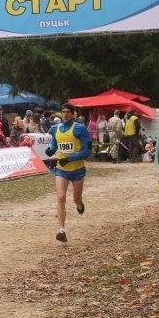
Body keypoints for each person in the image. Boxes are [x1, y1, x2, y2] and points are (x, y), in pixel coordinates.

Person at [45, 104, 92, 243]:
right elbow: (55, 144)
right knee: (60, 197)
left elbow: (87, 150)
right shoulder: (56, 128)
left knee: (76, 199)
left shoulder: (80, 128)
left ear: (73, 114)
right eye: (63, 112)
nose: (65, 114)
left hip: (77, 170)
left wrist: (70, 158)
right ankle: (61, 230)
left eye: (68, 112)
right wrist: (50, 150)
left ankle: (79, 203)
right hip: (61, 169)